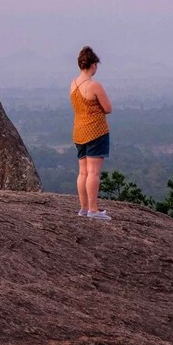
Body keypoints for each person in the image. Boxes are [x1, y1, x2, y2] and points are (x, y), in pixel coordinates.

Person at [70, 46, 113, 220]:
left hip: (78, 131)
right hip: (95, 130)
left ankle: (84, 208)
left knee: (83, 172)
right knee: (94, 172)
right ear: (93, 65)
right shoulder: (94, 85)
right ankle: (93, 210)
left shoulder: (73, 84)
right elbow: (108, 108)